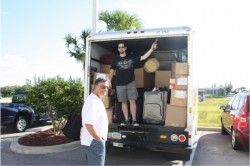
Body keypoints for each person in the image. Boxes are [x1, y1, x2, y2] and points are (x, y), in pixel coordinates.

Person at [109, 41, 157, 126]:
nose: (121, 48)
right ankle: (126, 120)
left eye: (122, 47)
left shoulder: (131, 58)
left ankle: (134, 120)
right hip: (119, 84)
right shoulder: (115, 60)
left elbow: (143, 57)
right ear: (118, 49)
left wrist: (151, 49)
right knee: (123, 102)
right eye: (119, 47)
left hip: (130, 83)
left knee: (132, 101)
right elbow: (111, 71)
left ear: (125, 48)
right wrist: (108, 81)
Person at [80, 77, 109, 166]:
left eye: (107, 87)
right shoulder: (92, 101)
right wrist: (99, 140)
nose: (106, 89)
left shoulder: (96, 100)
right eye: (103, 87)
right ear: (95, 87)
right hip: (95, 142)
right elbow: (89, 124)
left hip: (94, 141)